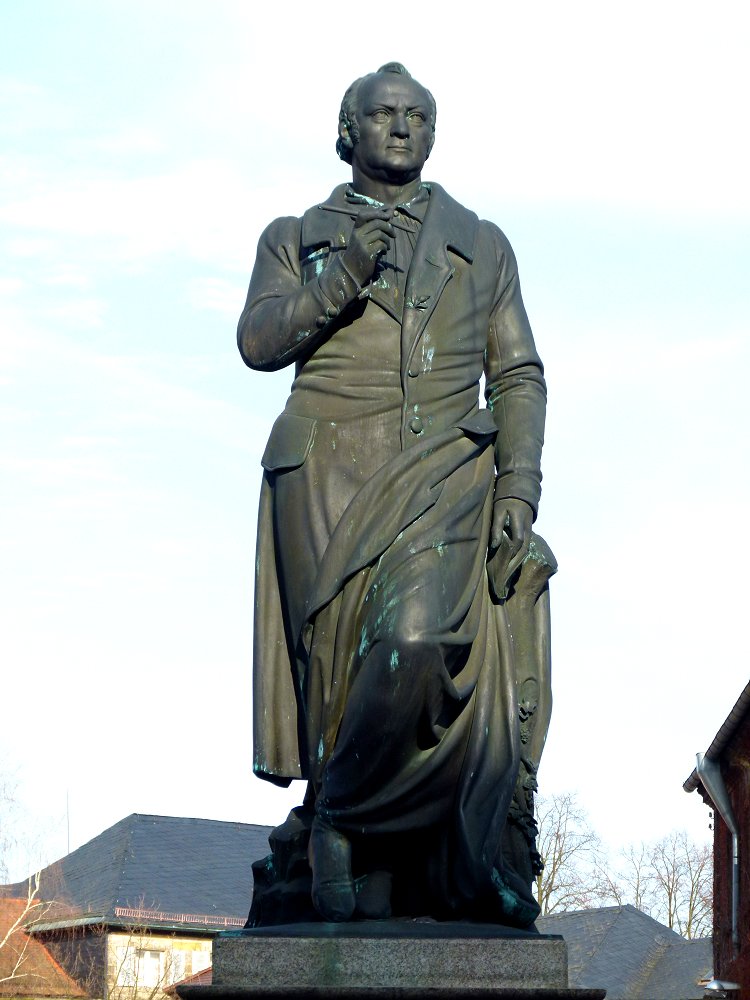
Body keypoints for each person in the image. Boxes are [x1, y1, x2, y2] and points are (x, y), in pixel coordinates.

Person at [238, 62, 551, 927]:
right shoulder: (296, 236)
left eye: (418, 114)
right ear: (347, 130)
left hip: (444, 473)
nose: (402, 126)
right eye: (383, 114)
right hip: (326, 476)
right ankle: (359, 851)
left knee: (415, 644)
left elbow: (518, 374)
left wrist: (518, 487)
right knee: (338, 683)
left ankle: (341, 819)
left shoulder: (480, 244)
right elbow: (258, 341)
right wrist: (339, 280)